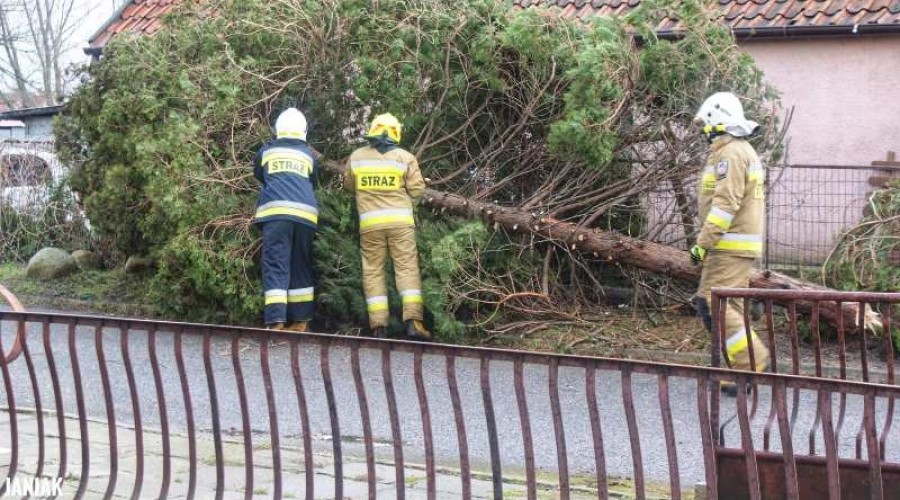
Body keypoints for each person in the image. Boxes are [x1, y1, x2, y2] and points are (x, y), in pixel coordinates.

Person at [690, 92, 769, 395]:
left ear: (716, 120)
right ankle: (742, 369)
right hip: (734, 244)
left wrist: (703, 243)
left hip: (728, 244)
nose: (703, 132)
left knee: (713, 302)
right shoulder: (736, 150)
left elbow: (725, 205)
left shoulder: (731, 153)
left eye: (705, 125)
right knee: (728, 305)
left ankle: (752, 361)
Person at [344, 113, 431, 340]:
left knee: (373, 271)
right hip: (401, 225)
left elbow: (349, 185)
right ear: (396, 133)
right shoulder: (405, 157)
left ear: (372, 130)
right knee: (407, 268)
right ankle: (413, 321)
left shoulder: (357, 157)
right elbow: (418, 191)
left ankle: (379, 326)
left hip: (370, 225)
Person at [254, 107, 318, 332]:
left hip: (277, 215)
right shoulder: (308, 154)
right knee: (301, 264)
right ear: (303, 131)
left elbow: (260, 175)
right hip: (306, 216)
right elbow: (313, 180)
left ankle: (276, 321)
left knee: (276, 264)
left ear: (278, 129)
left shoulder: (266, 152)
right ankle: (301, 321)